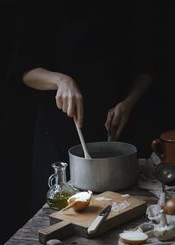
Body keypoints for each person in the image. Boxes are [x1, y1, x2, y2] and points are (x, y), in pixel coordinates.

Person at [9, 0, 155, 215]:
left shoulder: (125, 7)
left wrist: (128, 103)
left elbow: (147, 68)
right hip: (60, 128)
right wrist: (61, 81)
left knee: (122, 210)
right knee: (61, 213)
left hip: (115, 128)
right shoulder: (43, 7)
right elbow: (23, 71)